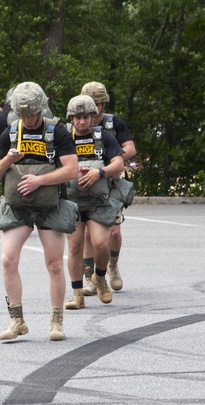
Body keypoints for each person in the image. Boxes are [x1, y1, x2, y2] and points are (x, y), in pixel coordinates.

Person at [0, 81, 78, 342]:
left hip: (50, 206)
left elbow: (71, 170)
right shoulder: (10, 133)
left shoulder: (57, 132)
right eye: (23, 114)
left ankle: (56, 320)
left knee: (53, 263)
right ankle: (17, 320)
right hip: (18, 207)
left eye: (33, 114)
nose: (29, 119)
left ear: (41, 109)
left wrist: (40, 180)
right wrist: (8, 160)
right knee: (7, 259)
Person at [63, 94, 126, 308]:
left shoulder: (104, 137)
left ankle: (100, 278)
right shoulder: (64, 138)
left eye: (86, 117)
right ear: (71, 118)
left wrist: (100, 172)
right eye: (77, 117)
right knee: (74, 247)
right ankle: (77, 294)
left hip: (99, 200)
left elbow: (119, 163)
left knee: (100, 244)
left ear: (93, 116)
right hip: (72, 201)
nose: (82, 121)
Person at [76, 81, 137, 296]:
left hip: (110, 182)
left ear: (103, 104)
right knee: (84, 235)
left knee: (114, 230)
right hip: (84, 184)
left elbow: (130, 149)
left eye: (97, 103)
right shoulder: (75, 126)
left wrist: (108, 157)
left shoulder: (113, 125)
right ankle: (89, 277)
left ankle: (112, 265)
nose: (92, 107)